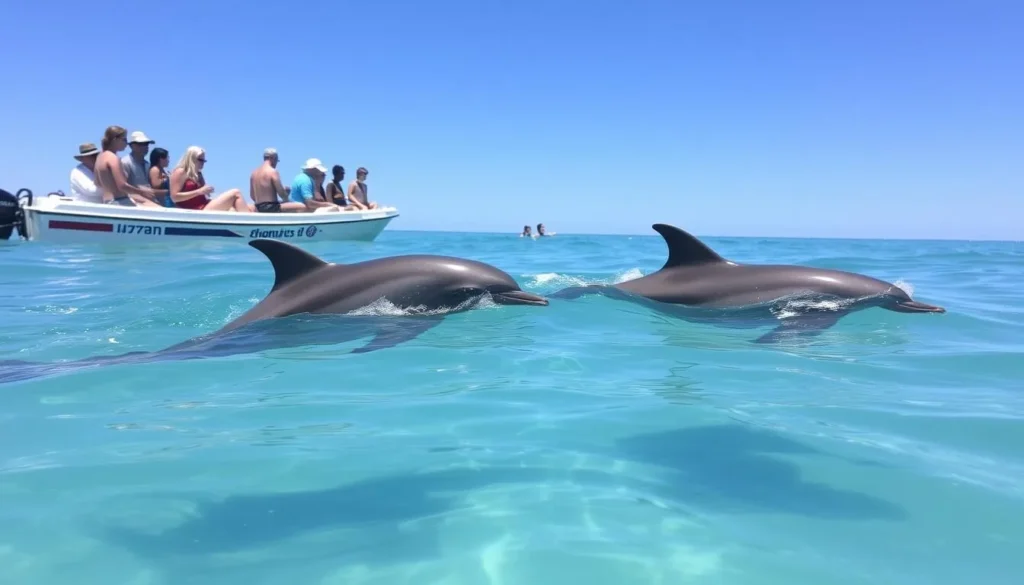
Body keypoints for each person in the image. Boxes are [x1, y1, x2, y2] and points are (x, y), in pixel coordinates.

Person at [93, 125, 161, 206]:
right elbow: (122, 185)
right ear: (115, 140)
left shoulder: (100, 157)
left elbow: (97, 183)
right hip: (119, 201)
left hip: (107, 202)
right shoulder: (113, 158)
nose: (126, 143)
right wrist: (142, 192)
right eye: (124, 140)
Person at [169, 146, 250, 212]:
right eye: (201, 160)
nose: (203, 163)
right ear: (191, 158)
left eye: (204, 160)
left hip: (204, 206)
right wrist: (198, 192)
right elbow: (174, 197)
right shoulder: (180, 172)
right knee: (236, 193)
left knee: (239, 208)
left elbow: (203, 195)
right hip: (194, 210)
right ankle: (250, 225)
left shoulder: (198, 174)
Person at [249, 148, 304, 213]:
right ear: (273, 158)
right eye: (276, 160)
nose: (276, 163)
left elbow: (252, 196)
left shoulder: (254, 173)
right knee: (302, 206)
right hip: (271, 208)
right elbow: (282, 194)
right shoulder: (272, 171)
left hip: (258, 207)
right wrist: (286, 195)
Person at [119, 131, 160, 206]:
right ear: (131, 146)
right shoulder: (125, 162)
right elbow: (122, 188)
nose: (145, 146)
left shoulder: (147, 164)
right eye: (141, 144)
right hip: (134, 204)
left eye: (146, 144)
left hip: (150, 202)